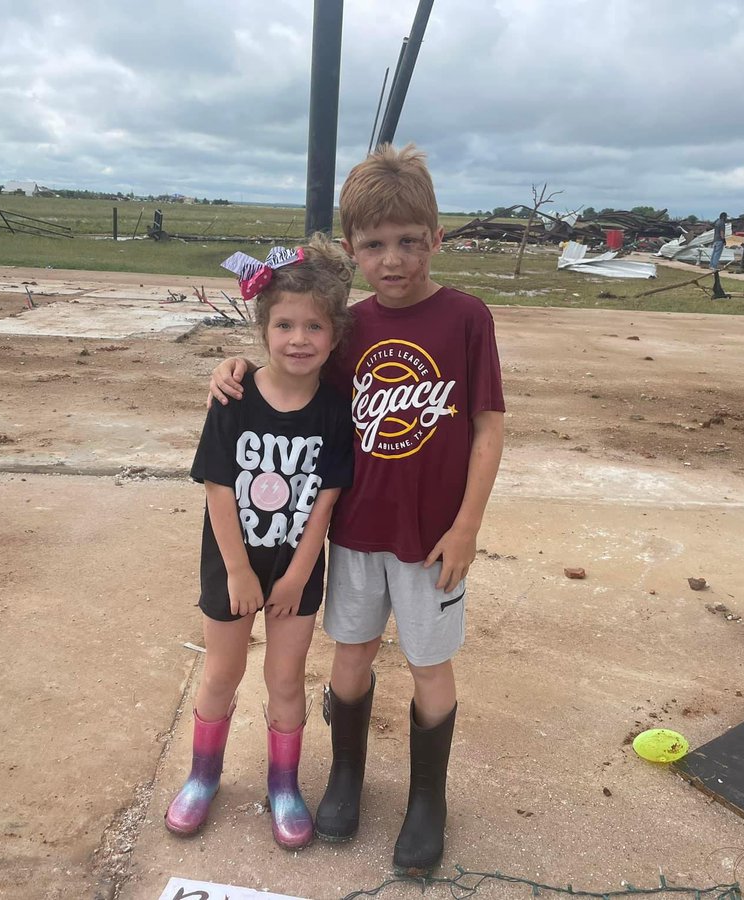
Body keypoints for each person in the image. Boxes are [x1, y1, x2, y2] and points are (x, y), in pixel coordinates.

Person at [209, 144, 505, 874]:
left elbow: (489, 424)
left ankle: (427, 798)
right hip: (357, 532)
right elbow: (291, 363)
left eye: (410, 241)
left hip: (435, 539)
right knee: (352, 653)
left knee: (432, 663)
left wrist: (467, 526)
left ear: (437, 237)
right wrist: (234, 366)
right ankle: (346, 776)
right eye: (375, 245)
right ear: (352, 250)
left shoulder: (467, 318)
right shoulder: (350, 330)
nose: (394, 260)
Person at [166, 236, 355, 851]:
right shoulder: (235, 395)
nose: (298, 338)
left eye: (314, 327)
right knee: (222, 671)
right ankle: (203, 776)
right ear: (262, 326)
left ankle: (283, 785)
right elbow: (218, 488)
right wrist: (239, 572)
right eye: (284, 325)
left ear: (333, 334)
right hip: (233, 565)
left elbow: (326, 498)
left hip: (296, 567)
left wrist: (300, 575)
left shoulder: (334, 406)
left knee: (285, 678)